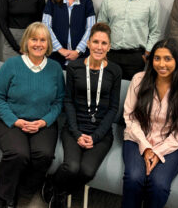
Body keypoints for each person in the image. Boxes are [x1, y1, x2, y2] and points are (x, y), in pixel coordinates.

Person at [42, 23, 122, 208]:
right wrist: (77, 133)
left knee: (86, 171)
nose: (99, 47)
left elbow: (113, 108)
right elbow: (68, 101)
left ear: (109, 46)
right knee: (72, 167)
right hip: (74, 128)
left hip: (101, 132)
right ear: (88, 43)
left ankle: (60, 189)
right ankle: (55, 185)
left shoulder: (115, 71)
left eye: (104, 43)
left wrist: (95, 136)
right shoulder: (75, 67)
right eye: (95, 42)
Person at [0, 22, 65, 208]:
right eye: (34, 39)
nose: (38, 44)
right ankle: (3, 197)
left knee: (44, 155)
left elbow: (59, 102)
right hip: (9, 120)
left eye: (43, 40)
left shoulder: (55, 68)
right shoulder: (12, 65)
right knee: (18, 153)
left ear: (48, 44)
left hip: (42, 122)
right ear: (26, 41)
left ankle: (21, 191)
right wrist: (16, 121)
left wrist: (43, 122)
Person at [122, 38, 178, 208]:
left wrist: (157, 152)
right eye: (157, 58)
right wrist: (146, 147)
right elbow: (130, 117)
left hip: (170, 145)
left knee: (159, 185)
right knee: (134, 178)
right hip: (137, 139)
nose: (162, 64)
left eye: (168, 59)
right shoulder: (138, 80)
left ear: (177, 61)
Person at [98, 0, 161, 80]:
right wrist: (102, 52)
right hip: (111, 55)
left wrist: (147, 54)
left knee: (131, 95)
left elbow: (155, 31)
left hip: (137, 58)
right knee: (107, 92)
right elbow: (101, 26)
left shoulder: (151, 1)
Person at [42, 0, 95, 68]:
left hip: (81, 58)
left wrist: (78, 51)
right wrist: (60, 49)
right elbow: (45, 26)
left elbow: (91, 28)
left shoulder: (87, 1)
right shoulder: (52, 1)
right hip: (55, 57)